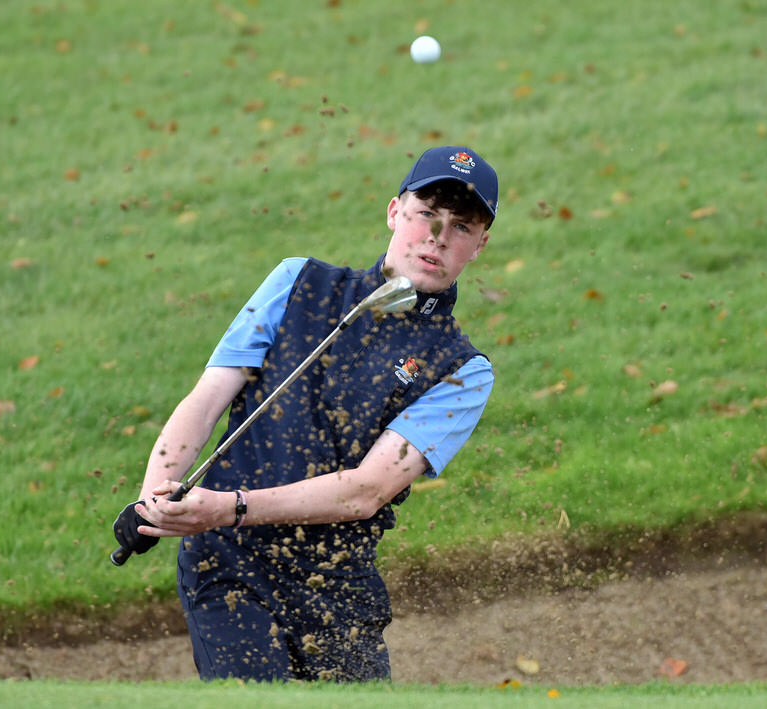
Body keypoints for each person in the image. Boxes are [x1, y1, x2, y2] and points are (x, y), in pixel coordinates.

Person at [114, 146, 498, 682]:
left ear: (479, 245)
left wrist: (227, 507)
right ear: (394, 212)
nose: (438, 236)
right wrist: (156, 497)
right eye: (426, 215)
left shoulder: (462, 370)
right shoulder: (298, 283)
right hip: (230, 566)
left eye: (461, 227)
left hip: (338, 582)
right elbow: (206, 400)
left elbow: (366, 491)